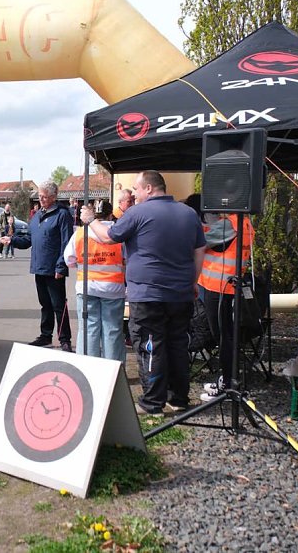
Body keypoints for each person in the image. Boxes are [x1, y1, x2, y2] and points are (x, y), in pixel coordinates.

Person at [82, 171, 206, 415]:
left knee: (150, 346)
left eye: (136, 190)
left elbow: (108, 237)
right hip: (180, 293)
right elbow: (200, 249)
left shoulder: (137, 213)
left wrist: (90, 219)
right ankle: (179, 399)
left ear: (149, 188)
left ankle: (152, 403)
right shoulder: (188, 213)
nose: (134, 195)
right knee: (178, 345)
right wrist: (193, 281)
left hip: (148, 294)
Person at [0, 180, 74, 352]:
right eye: (40, 196)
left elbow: (67, 243)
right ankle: (45, 336)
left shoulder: (62, 215)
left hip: (54, 269)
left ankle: (65, 339)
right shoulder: (37, 216)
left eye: (44, 197)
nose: (41, 199)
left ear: (54, 197)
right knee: (45, 304)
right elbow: (28, 240)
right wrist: (11, 240)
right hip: (39, 267)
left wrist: (61, 267)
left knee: (59, 305)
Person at [197, 209, 255, 402]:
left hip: (218, 287)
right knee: (226, 335)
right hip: (228, 286)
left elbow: (200, 242)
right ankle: (227, 379)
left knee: (222, 337)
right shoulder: (245, 223)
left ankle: (228, 385)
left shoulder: (230, 224)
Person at [64, 199, 126, 361]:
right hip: (113, 288)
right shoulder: (118, 234)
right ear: (110, 215)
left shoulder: (80, 233)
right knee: (112, 330)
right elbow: (127, 258)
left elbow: (69, 259)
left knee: (88, 330)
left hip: (87, 287)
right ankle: (113, 369)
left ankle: (87, 368)